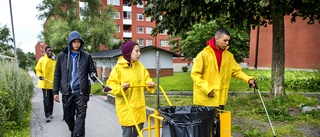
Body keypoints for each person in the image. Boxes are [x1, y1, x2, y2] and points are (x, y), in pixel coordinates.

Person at [191, 28, 255, 110]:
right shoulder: (203, 55)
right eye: (225, 40)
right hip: (204, 99)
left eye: (228, 41)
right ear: (217, 39)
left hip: (220, 99)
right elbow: (195, 74)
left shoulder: (228, 56)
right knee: (206, 123)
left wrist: (249, 79)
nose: (227, 43)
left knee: (219, 122)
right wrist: (207, 89)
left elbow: (236, 71)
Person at [104, 41, 155, 137]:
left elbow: (146, 79)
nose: (139, 54)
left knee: (138, 133)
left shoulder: (140, 67)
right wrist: (121, 88)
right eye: (137, 51)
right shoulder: (118, 68)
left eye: (139, 51)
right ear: (129, 52)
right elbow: (108, 88)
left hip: (139, 108)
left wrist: (150, 84)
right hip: (126, 109)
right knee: (127, 134)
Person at [53, 30, 97, 137]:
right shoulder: (62, 56)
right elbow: (57, 74)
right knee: (68, 117)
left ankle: (77, 133)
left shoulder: (86, 56)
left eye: (78, 42)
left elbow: (92, 71)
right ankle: (73, 129)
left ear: (81, 43)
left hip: (81, 93)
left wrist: (93, 76)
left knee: (80, 120)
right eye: (74, 42)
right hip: (67, 92)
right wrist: (55, 92)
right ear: (70, 42)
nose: (76, 44)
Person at [35, 46, 57, 122]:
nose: (50, 52)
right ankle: (47, 115)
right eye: (48, 51)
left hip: (53, 83)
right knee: (47, 99)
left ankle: (50, 113)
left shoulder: (54, 60)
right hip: (45, 83)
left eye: (51, 51)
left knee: (52, 99)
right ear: (45, 51)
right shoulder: (42, 60)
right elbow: (37, 69)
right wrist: (40, 75)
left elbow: (58, 70)